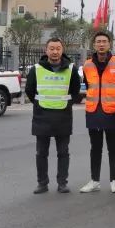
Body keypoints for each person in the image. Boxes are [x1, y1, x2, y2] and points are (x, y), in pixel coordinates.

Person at [26, 37, 82, 194]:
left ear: (62, 50)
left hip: (63, 116)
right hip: (41, 116)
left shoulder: (71, 69)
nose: (55, 51)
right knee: (41, 153)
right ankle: (42, 183)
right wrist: (39, 104)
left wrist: (66, 103)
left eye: (58, 48)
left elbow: (75, 91)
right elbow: (30, 90)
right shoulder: (36, 69)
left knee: (63, 152)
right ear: (46, 50)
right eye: (52, 48)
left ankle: (62, 183)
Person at [78, 30, 115, 194]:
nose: (101, 44)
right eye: (98, 41)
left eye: (104, 41)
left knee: (113, 147)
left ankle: (114, 180)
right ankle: (95, 180)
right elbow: (88, 86)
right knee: (95, 148)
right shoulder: (87, 65)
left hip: (112, 111)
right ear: (94, 44)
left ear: (109, 44)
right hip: (93, 112)